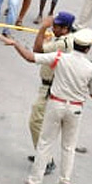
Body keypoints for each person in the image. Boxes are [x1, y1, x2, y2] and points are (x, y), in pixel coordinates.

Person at [2, 27, 92, 184]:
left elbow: (30, 57)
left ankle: (34, 183)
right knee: (68, 147)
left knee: (45, 143)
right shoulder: (91, 68)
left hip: (56, 103)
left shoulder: (60, 58)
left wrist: (15, 44)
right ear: (88, 48)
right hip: (75, 108)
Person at [26, 11, 75, 165]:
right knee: (44, 125)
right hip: (53, 86)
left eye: (56, 26)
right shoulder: (64, 39)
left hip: (51, 87)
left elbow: (37, 51)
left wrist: (42, 29)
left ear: (66, 28)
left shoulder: (63, 43)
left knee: (36, 122)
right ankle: (43, 155)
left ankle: (45, 160)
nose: (52, 28)